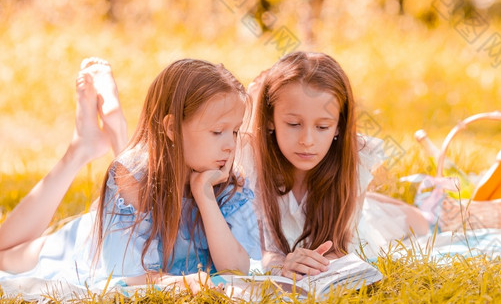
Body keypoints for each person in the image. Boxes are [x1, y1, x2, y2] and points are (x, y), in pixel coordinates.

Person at [0, 58, 260, 290]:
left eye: (235, 131)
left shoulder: (225, 181)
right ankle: (83, 146)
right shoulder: (132, 179)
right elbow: (127, 275)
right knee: (2, 254)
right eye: (217, 132)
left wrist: (205, 197)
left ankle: (110, 129)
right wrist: (181, 283)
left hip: (133, 201)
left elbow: (237, 270)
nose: (230, 144)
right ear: (171, 127)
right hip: (88, 244)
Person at [249, 51, 428, 278]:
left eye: (322, 127)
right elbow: (264, 251)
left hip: (358, 224)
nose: (307, 140)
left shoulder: (353, 162)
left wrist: (315, 263)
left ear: (338, 127)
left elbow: (340, 249)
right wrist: (282, 264)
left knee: (420, 222)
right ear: (269, 120)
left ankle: (431, 204)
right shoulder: (254, 164)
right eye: (293, 124)